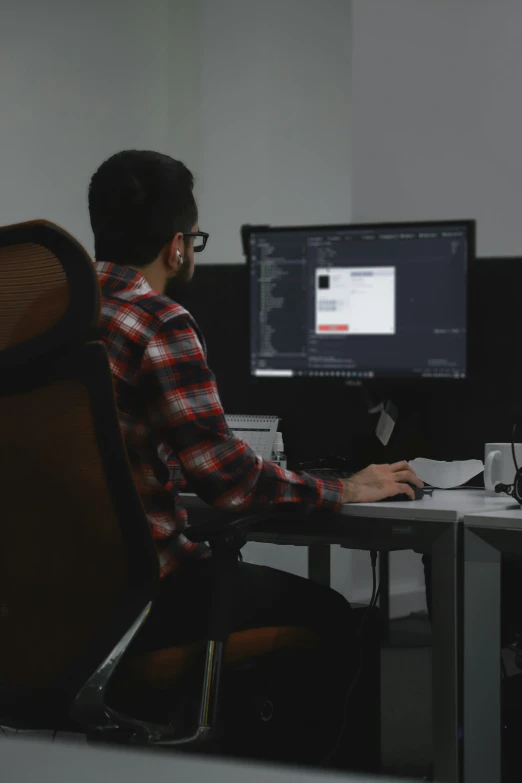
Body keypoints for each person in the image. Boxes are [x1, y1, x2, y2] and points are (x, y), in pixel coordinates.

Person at [88, 149, 423, 762]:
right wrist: (344, 489)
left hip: (50, 603)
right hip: (145, 602)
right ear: (178, 247)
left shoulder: (44, 319)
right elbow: (230, 484)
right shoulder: (158, 321)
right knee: (333, 616)